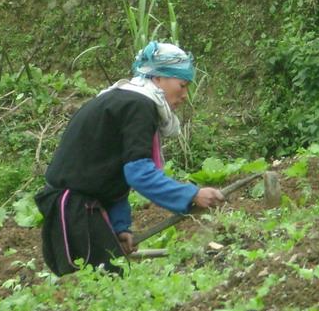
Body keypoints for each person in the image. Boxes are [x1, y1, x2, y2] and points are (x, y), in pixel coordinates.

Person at [35, 41, 225, 276]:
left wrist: (118, 227)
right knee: (99, 288)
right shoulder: (139, 106)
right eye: (182, 85)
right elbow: (139, 174)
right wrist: (192, 194)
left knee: (106, 285)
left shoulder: (123, 100)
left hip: (80, 208)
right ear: (158, 78)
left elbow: (111, 172)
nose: (185, 95)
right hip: (74, 212)